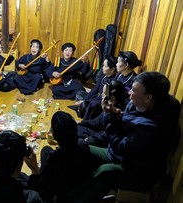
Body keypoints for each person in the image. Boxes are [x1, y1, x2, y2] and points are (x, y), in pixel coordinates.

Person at [70, 72, 180, 202]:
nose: (129, 93)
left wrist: (108, 115)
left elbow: (120, 147)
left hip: (137, 172)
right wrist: (116, 114)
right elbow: (126, 124)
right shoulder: (137, 104)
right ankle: (73, 190)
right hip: (120, 156)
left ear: (148, 98)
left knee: (106, 171)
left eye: (133, 90)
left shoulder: (151, 127)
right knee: (81, 147)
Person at [25, 111, 96, 203]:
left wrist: (35, 170)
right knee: (46, 149)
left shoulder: (55, 158)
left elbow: (42, 187)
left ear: (54, 135)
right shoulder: (82, 144)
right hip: (78, 183)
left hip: (60, 194)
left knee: (24, 179)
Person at [77, 80, 128, 147]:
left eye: (104, 93)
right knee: (76, 127)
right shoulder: (109, 107)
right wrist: (81, 122)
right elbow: (96, 122)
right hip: (100, 134)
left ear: (112, 98)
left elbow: (107, 135)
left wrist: (91, 139)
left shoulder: (119, 113)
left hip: (106, 142)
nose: (101, 95)